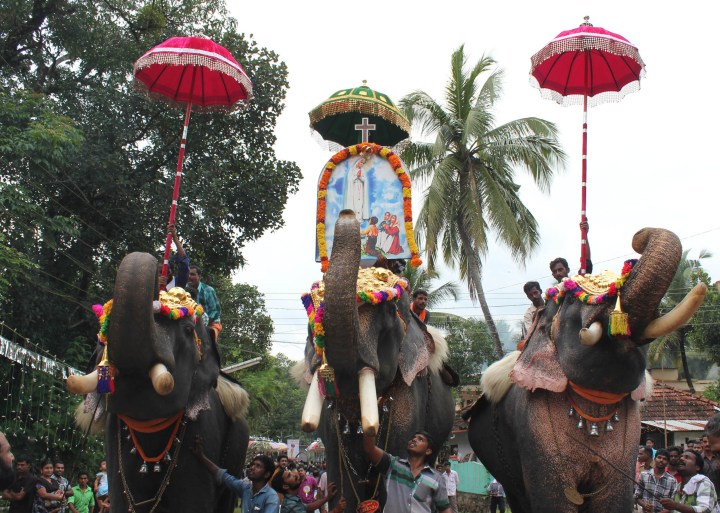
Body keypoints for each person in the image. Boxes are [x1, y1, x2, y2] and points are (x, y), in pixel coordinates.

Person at [363, 430, 451, 513]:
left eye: (420, 439)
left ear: (428, 451)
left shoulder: (437, 478)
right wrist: (369, 422)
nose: (414, 439)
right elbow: (370, 449)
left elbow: (445, 509)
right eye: (413, 437)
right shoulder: (392, 465)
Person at [192, 436, 278, 513]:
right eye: (253, 464)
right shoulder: (246, 489)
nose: (252, 467)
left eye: (258, 466)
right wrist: (201, 456)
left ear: (266, 474)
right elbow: (223, 476)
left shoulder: (271, 497)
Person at [278, 468, 345, 513]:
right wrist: (336, 510)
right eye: (289, 475)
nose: (295, 474)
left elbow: (308, 507)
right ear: (285, 486)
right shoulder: (291, 505)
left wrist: (327, 498)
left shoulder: (293, 499)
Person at [187, 265, 222, 340]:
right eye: (188, 274)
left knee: (208, 340)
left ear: (199, 277)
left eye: (192, 274)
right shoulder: (183, 290)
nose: (189, 276)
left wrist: (202, 326)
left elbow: (215, 312)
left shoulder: (208, 290)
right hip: (191, 324)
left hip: (211, 324)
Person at [157, 223, 190, 290]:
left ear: (172, 272)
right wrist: (157, 284)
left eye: (166, 272)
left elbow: (183, 261)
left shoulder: (178, 284)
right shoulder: (151, 284)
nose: (163, 275)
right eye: (160, 272)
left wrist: (174, 237)